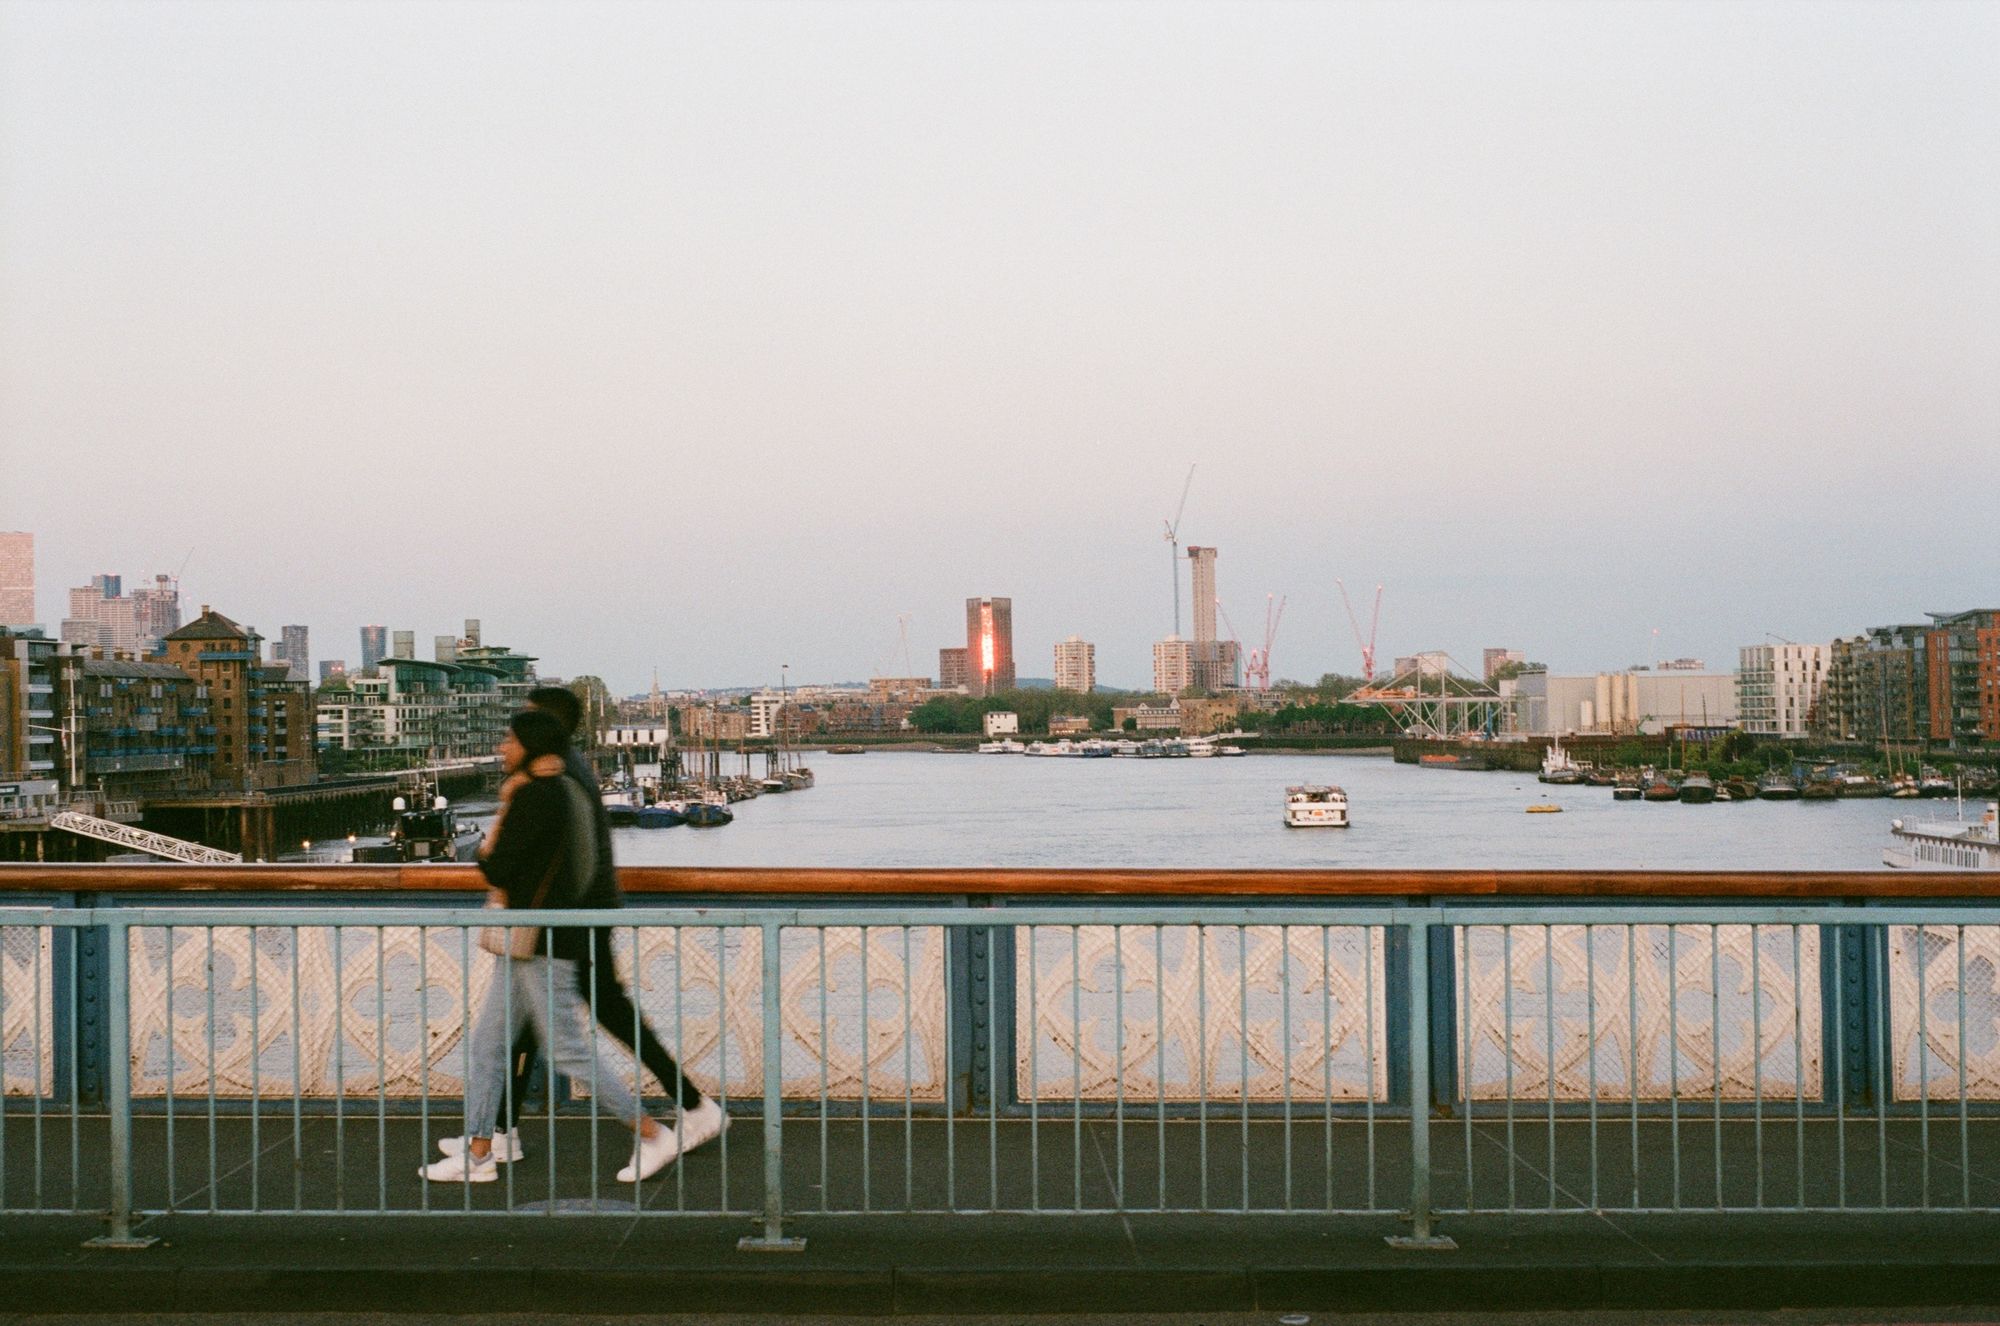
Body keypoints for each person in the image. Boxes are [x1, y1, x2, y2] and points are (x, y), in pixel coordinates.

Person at [434, 688, 725, 1176]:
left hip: (566, 921)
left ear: (542, 730)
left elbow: (556, 857)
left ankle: (672, 1118)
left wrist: (566, 911)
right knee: (525, 1030)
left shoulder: (556, 778)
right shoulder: (566, 771)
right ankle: (492, 1137)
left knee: (571, 1036)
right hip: (567, 918)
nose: (509, 736)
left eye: (521, 725)